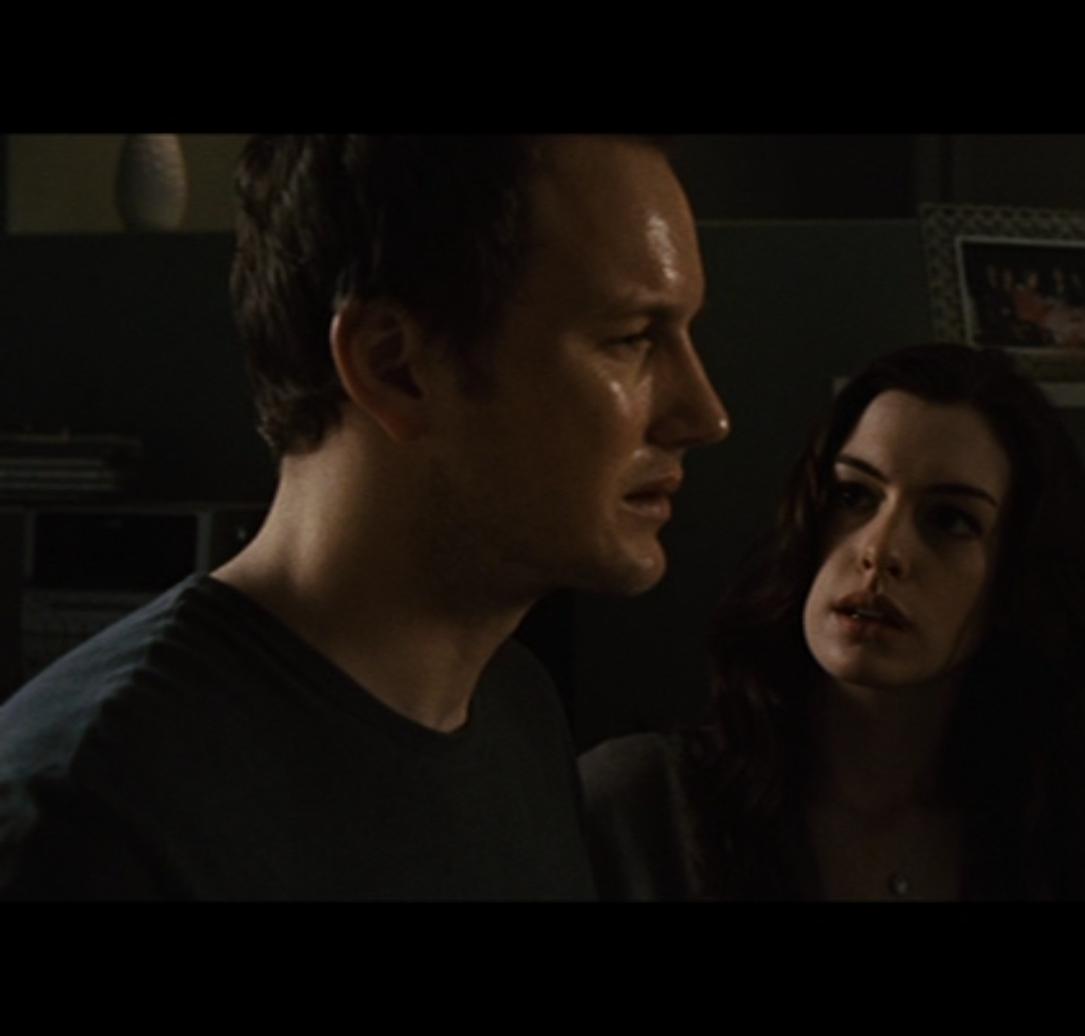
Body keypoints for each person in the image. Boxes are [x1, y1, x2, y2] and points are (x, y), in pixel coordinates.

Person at [0, 135, 730, 899]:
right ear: (395, 367)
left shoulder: (514, 710)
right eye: (630, 340)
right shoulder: (92, 820)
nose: (705, 414)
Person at [578, 343, 1085, 900]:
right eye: (854, 496)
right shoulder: (640, 807)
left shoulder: (1064, 844)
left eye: (949, 520)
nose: (881, 549)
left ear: (1015, 577)